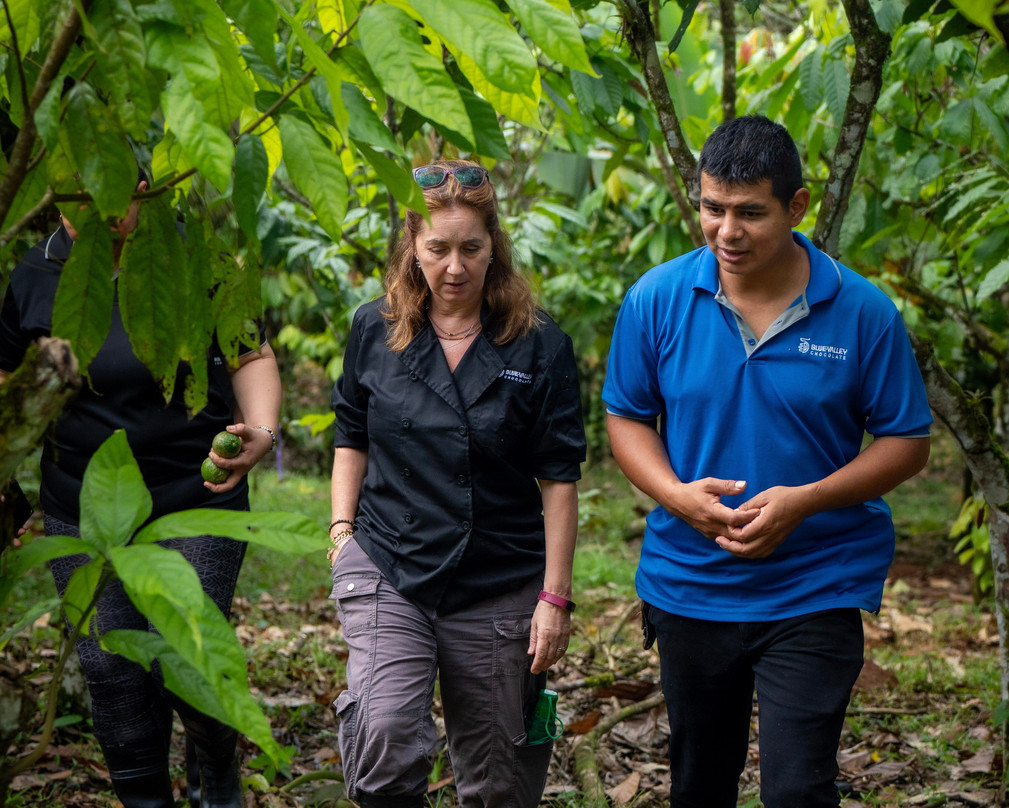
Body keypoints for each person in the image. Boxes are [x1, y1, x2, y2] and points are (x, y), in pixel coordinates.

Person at [602, 115, 933, 808]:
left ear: (798, 206)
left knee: (798, 788)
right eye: (712, 209)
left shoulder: (863, 312)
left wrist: (804, 500)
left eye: (751, 213)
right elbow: (627, 418)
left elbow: (907, 442)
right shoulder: (656, 299)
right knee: (700, 782)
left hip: (817, 582)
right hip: (690, 583)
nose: (727, 232)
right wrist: (675, 496)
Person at [0, 170, 282, 808]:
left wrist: (262, 430)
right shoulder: (35, 273)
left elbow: (251, 353)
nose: (98, 215)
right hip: (82, 504)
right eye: (77, 202)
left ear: (150, 187)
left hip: (196, 491)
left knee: (190, 653)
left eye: (114, 194)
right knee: (109, 667)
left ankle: (218, 780)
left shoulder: (199, 261)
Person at [328, 159, 587, 808]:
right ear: (411, 248)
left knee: (501, 780)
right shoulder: (374, 328)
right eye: (437, 249)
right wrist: (340, 534)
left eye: (471, 248)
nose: (454, 267)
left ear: (493, 247)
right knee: (384, 737)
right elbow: (350, 436)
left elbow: (558, 478)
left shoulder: (538, 343)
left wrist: (554, 600)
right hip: (391, 565)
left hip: (499, 578)